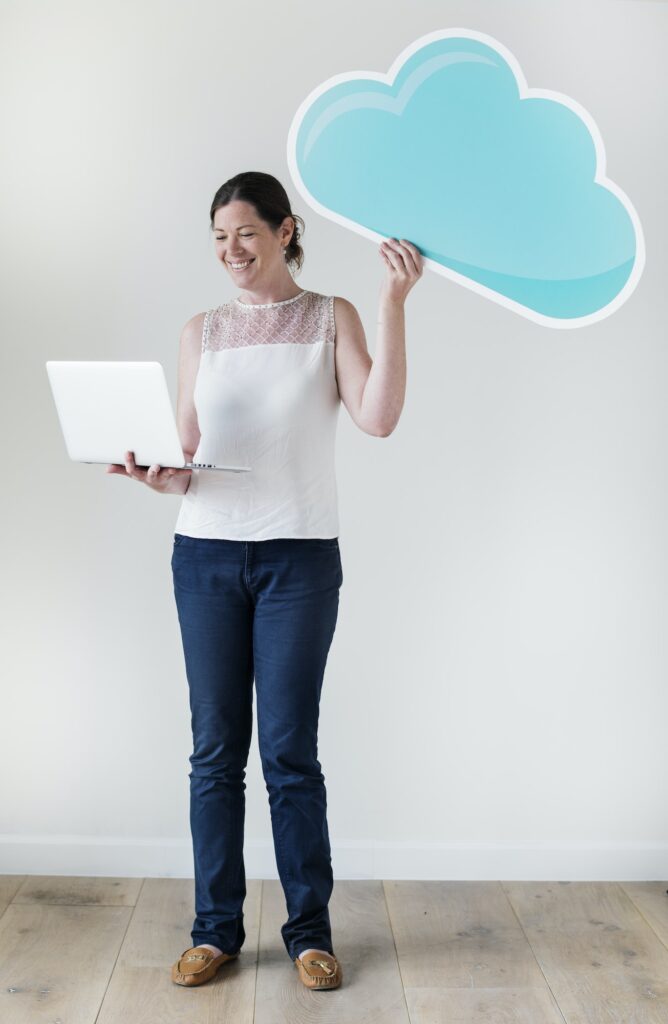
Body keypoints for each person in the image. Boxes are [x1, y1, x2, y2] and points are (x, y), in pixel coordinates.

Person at [107, 170, 423, 990]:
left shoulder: (331, 316)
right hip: (205, 554)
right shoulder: (200, 331)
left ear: (286, 231)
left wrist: (391, 304)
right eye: (218, 238)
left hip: (300, 562)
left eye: (245, 233)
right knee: (214, 753)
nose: (230, 251)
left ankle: (308, 934)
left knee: (289, 753)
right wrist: (158, 476)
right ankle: (214, 931)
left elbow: (378, 417)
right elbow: (188, 449)